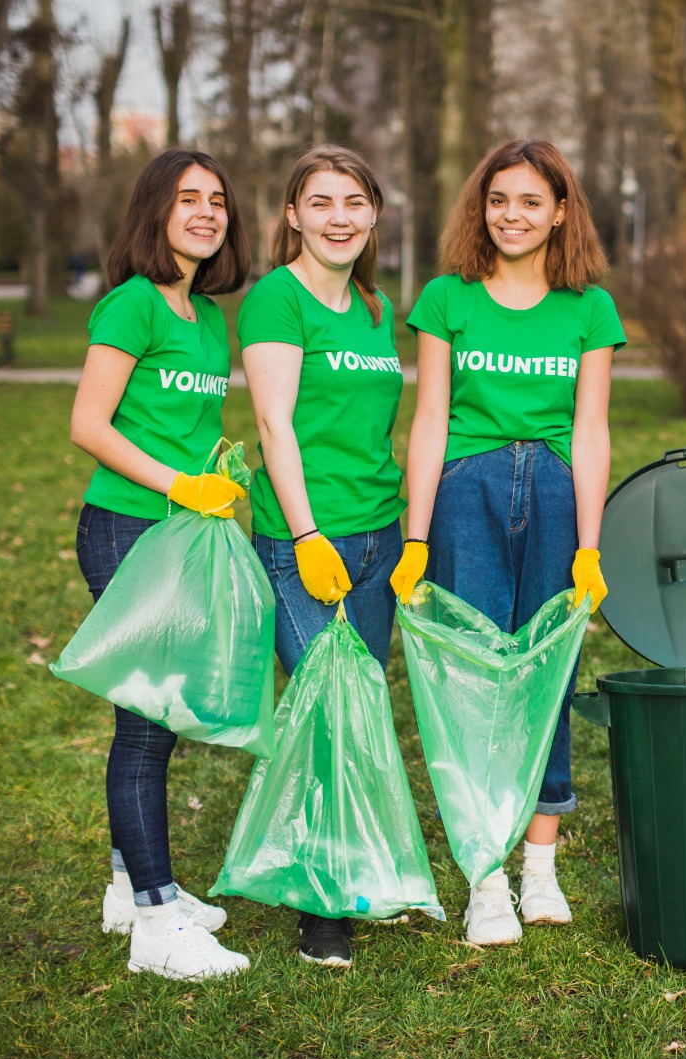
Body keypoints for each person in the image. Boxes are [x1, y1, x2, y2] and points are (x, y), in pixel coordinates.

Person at [394, 139, 622, 947]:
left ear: (561, 210)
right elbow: (428, 421)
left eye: (530, 201)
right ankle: (484, 877)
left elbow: (591, 431)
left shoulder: (589, 308)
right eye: (499, 200)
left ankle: (540, 866)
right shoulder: (448, 299)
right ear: (479, 207)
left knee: (547, 678)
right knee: (477, 679)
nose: (512, 216)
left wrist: (590, 546)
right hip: (467, 494)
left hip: (558, 494)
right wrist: (416, 536)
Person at [69, 148, 252, 981]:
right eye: (189, 199)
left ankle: (127, 888)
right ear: (156, 211)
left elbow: (181, 424)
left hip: (187, 534)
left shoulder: (210, 318)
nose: (208, 212)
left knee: (155, 718)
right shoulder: (130, 306)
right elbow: (91, 425)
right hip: (126, 529)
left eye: (217, 200)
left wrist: (218, 472)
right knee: (146, 727)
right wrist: (183, 482)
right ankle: (155, 921)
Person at [239, 144, 405, 969]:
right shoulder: (277, 300)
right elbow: (275, 426)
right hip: (305, 538)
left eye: (355, 202)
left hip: (377, 532)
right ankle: (320, 904)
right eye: (322, 202)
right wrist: (305, 537)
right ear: (293, 216)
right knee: (324, 713)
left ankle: (348, 865)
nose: (340, 217)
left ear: (374, 214)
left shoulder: (377, 308)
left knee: (359, 712)